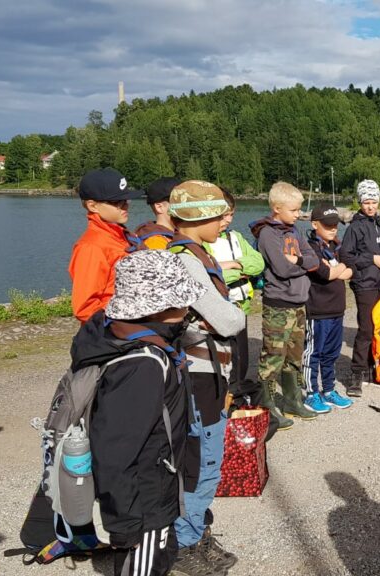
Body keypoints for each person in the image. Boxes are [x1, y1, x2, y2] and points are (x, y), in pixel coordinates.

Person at [72, 249, 204, 576]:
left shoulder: (125, 333)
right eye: (181, 302)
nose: (187, 308)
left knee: (160, 557)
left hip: (155, 487)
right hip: (145, 502)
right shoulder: (142, 364)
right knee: (143, 567)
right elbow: (115, 449)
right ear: (158, 309)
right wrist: (125, 522)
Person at [167, 180, 247, 576]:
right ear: (200, 217)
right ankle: (185, 543)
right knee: (203, 463)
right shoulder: (185, 260)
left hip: (205, 372)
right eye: (218, 216)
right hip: (199, 375)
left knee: (199, 460)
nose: (224, 223)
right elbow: (229, 319)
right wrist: (233, 311)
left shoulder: (186, 254)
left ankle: (193, 532)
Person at [250, 182, 320, 427]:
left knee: (294, 355)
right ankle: (266, 409)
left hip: (299, 303)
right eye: (294, 210)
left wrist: (298, 260)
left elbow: (313, 259)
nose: (298, 214)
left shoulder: (295, 231)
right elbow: (281, 268)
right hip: (278, 304)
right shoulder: (269, 234)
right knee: (273, 357)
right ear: (277, 209)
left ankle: (292, 401)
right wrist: (301, 264)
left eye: (299, 209)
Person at [339, 179, 380, 396]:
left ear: (379, 202)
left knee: (378, 328)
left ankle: (374, 367)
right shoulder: (355, 227)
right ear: (360, 202)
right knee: (365, 328)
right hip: (363, 283)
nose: (370, 206)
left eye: (373, 201)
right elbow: (345, 255)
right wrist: (371, 259)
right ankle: (356, 374)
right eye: (366, 202)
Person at [205, 189, 265, 388]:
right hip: (219, 311)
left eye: (231, 215)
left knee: (242, 359)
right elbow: (211, 274)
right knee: (223, 360)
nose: (228, 220)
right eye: (223, 216)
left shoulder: (236, 237)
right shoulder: (203, 241)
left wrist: (231, 264)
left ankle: (238, 397)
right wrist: (237, 270)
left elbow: (258, 263)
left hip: (242, 307)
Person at [68, 168, 144, 322]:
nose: (125, 206)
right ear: (92, 206)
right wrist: (126, 322)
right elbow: (85, 308)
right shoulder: (91, 247)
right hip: (114, 336)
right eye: (117, 202)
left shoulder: (122, 235)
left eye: (127, 200)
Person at [304, 203, 355, 412]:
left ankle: (328, 390)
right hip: (318, 310)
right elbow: (325, 274)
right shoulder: (310, 247)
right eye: (328, 225)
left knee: (331, 353)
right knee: (314, 353)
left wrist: (338, 269)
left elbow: (350, 270)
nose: (333, 228)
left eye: (335, 224)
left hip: (337, 309)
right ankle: (311, 393)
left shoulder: (337, 246)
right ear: (315, 224)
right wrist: (338, 269)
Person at [134, 177, 181, 250]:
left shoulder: (176, 233)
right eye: (178, 202)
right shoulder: (155, 242)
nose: (185, 207)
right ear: (159, 207)